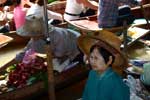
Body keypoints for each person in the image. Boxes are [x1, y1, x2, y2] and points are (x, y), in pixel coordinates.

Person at [77, 30, 130, 100]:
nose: (92, 61)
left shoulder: (115, 82)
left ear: (109, 60)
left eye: (96, 58)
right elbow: (86, 95)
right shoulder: (92, 73)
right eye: (91, 57)